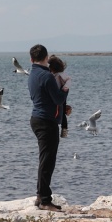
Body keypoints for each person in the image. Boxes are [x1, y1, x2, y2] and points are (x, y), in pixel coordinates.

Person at [27, 44, 67, 212]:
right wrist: (66, 87)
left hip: (36, 119)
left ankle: (40, 197)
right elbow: (58, 99)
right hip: (46, 122)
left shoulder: (32, 75)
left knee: (45, 160)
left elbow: (41, 97)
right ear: (46, 58)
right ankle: (44, 200)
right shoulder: (47, 76)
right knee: (47, 162)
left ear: (31, 59)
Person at [48, 55, 72, 138]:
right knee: (62, 110)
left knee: (63, 110)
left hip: (61, 93)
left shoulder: (60, 74)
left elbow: (69, 80)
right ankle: (64, 129)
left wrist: (65, 88)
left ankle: (64, 129)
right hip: (58, 94)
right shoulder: (51, 75)